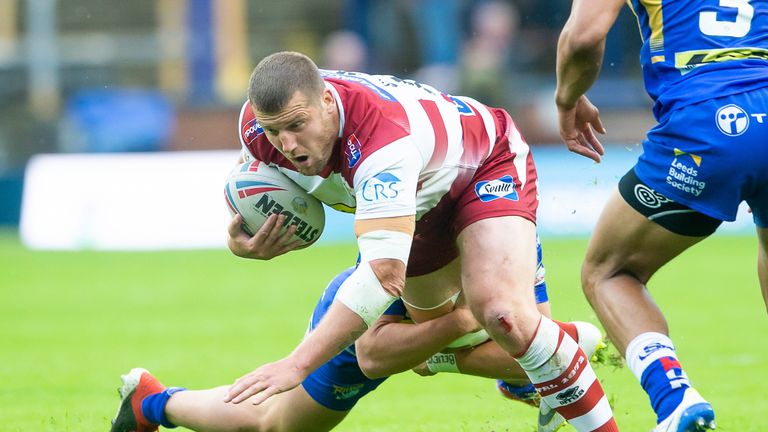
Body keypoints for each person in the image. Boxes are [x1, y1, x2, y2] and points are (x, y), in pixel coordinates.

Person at [213, 51, 617, 431]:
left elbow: (382, 276)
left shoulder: (382, 144)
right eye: (273, 130)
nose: (287, 145)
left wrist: (297, 365)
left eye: (297, 126)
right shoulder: (260, 124)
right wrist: (240, 240)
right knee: (430, 349)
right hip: (418, 205)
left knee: (502, 314)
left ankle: (544, 355)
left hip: (482, 161)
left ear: (328, 102)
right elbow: (251, 173)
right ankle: (542, 359)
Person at [554, 0, 768, 430]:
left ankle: (674, 398)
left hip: (710, 122)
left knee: (610, 271)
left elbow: (584, 36)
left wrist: (566, 99)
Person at [110, 259, 605, 432]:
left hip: (440, 330)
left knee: (566, 341)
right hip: (364, 327)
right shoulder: (418, 236)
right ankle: (152, 403)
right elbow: (372, 353)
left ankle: (502, 381)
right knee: (271, 425)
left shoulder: (515, 234)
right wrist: (458, 323)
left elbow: (536, 342)